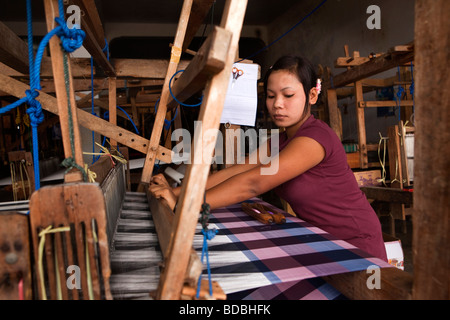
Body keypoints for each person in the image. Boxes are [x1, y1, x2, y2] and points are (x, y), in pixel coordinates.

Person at [149, 55, 388, 261]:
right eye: (271, 96)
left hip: (355, 243)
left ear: (312, 95)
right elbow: (236, 172)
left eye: (288, 95)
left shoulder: (314, 139)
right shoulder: (281, 139)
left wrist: (186, 208)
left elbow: (253, 183)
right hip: (321, 239)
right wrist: (174, 191)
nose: (277, 105)